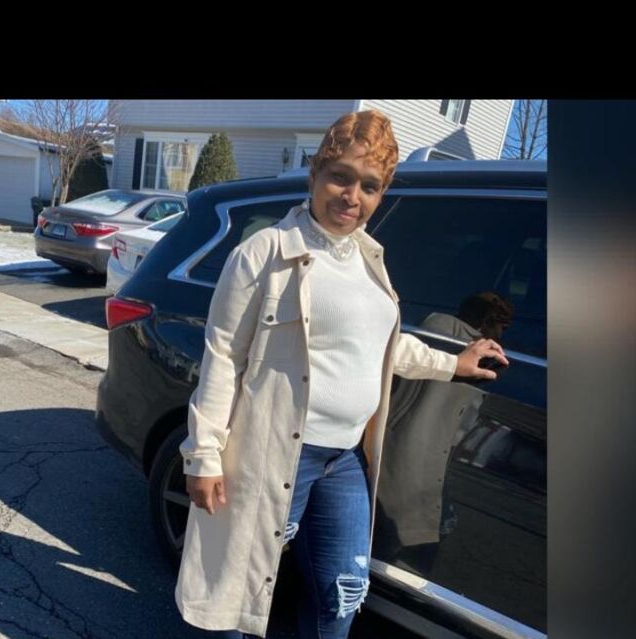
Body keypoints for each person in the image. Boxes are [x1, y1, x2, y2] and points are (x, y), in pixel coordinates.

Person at [174, 109, 509, 639]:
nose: (352, 196)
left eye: (370, 186)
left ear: (381, 194)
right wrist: (204, 455)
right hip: (277, 453)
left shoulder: (369, 258)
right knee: (237, 590)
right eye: (341, 177)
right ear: (315, 174)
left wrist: (452, 363)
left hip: (347, 457)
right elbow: (223, 356)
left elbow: (381, 345)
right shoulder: (264, 254)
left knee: (343, 593)